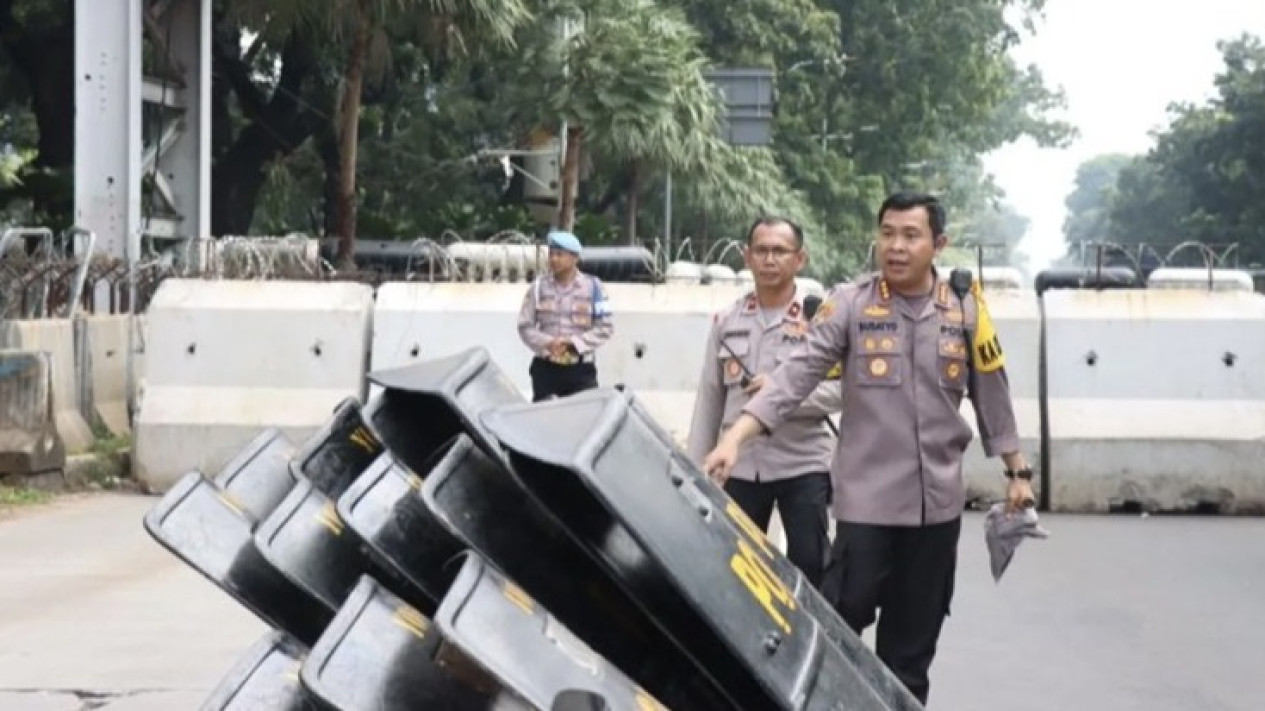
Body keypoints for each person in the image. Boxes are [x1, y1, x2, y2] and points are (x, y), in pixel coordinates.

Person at [702, 192, 1034, 706]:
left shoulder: (966, 306)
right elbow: (796, 375)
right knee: (836, 623)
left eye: (910, 235)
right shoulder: (850, 304)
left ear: (938, 244)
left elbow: (991, 386)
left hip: (935, 510)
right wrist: (734, 437)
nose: (896, 247)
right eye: (888, 234)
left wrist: (1018, 471)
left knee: (910, 652)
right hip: (866, 508)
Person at [686, 216, 841, 587]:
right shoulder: (728, 321)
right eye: (762, 251)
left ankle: (809, 641)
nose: (770, 260)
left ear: (799, 259)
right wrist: (694, 469)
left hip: (802, 461)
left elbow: (841, 391)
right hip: (739, 464)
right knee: (737, 567)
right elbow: (710, 396)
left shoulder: (820, 319)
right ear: (746, 256)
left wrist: (780, 392)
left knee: (810, 564)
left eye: (780, 251)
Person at [516, 230, 614, 402]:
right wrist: (548, 342)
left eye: (559, 254)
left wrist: (572, 343)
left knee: (583, 420)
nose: (553, 259)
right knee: (543, 420)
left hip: (580, 370)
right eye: (551, 254)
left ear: (574, 258)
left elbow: (605, 327)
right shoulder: (538, 287)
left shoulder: (594, 287)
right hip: (546, 369)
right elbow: (525, 326)